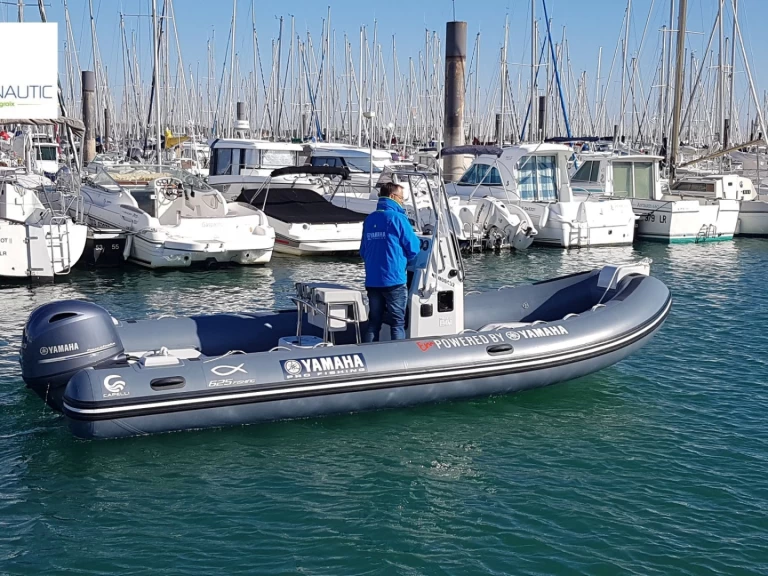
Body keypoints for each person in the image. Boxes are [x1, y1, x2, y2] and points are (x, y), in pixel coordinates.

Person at [360, 182, 421, 342]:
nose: (402, 201)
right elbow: (414, 248)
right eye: (401, 198)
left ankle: (370, 355)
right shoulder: (398, 219)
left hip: (372, 280)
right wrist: (404, 261)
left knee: (374, 322)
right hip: (394, 280)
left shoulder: (369, 219)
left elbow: (363, 251)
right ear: (393, 197)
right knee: (397, 324)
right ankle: (398, 358)